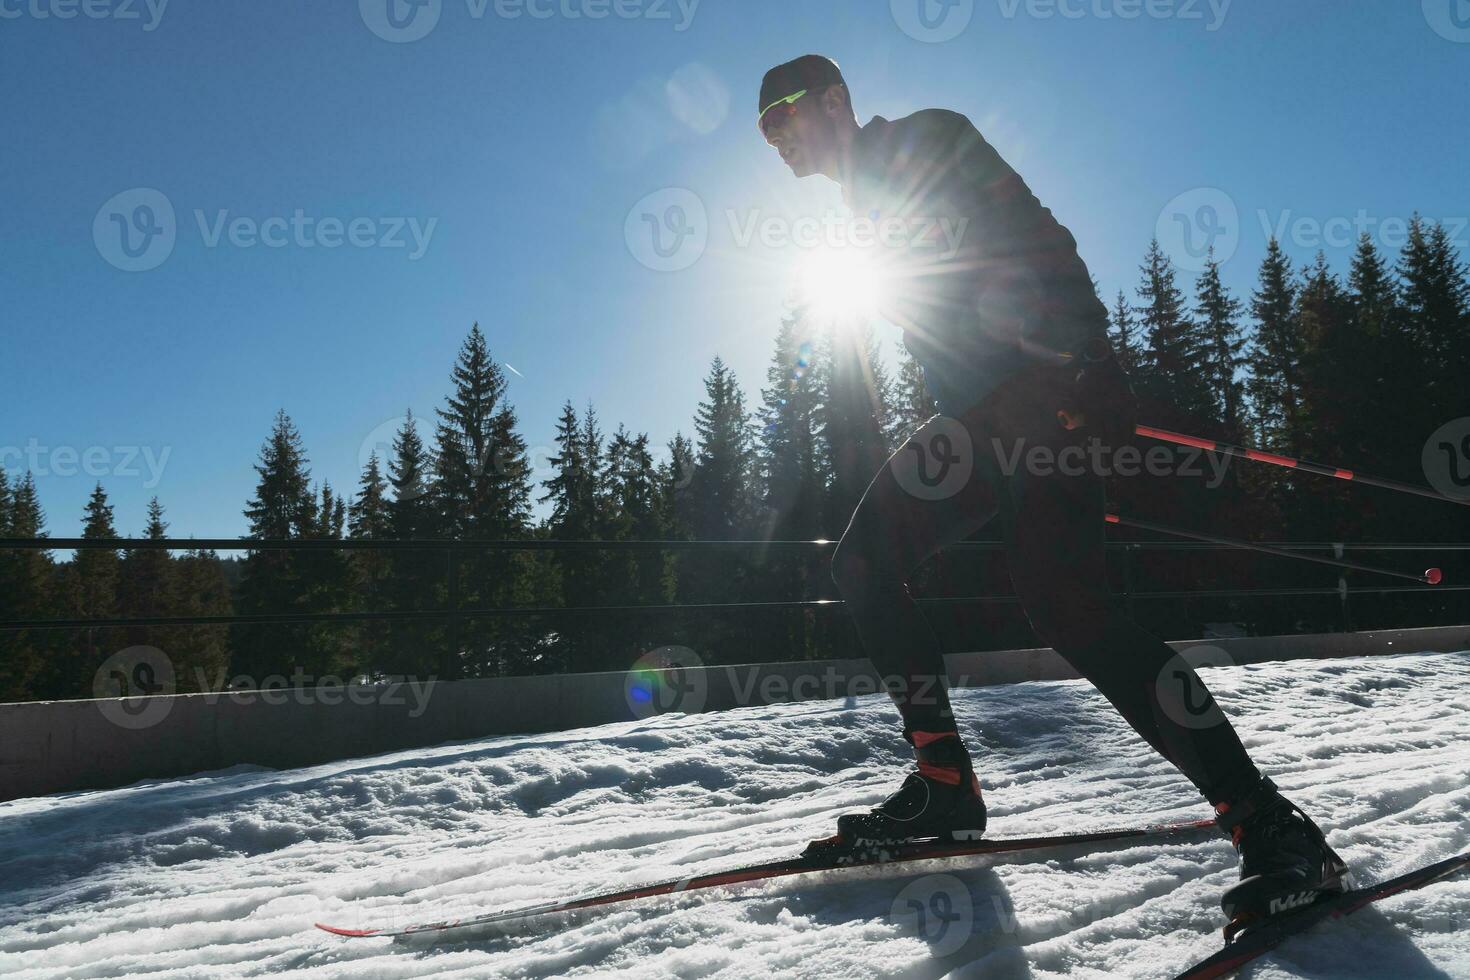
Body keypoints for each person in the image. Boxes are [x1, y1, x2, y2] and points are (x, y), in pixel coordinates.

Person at [756, 53, 1346, 932]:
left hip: (1042, 405)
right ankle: (945, 786)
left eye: (787, 114)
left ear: (837, 101)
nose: (779, 139)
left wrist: (1086, 364)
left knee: (1063, 603)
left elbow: (1040, 242)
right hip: (977, 420)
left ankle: (1270, 823)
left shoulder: (926, 140)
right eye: (765, 132)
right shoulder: (859, 210)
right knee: (868, 557)